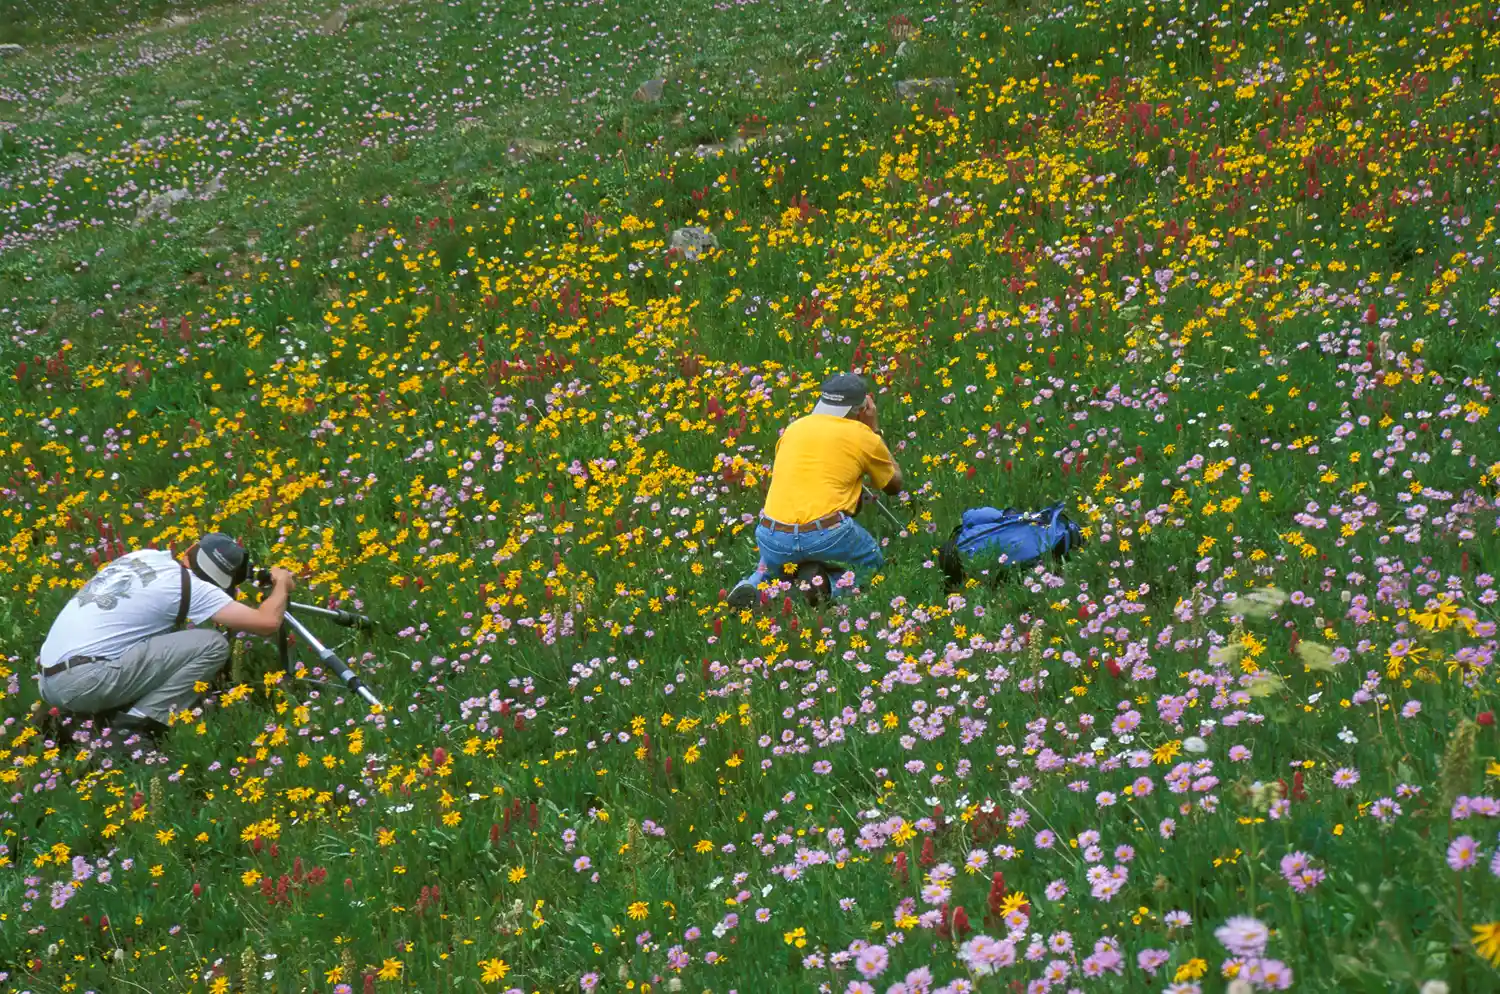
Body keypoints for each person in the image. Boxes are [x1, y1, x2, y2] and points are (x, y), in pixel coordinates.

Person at [35, 533, 296, 736]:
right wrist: (281, 584)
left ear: (192, 549)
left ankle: (80, 719)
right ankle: (137, 726)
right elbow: (267, 623)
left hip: (48, 680)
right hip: (85, 681)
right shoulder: (192, 587)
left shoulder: (144, 557)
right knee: (212, 644)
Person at [726, 372, 903, 607]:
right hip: (826, 535)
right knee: (872, 565)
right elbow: (894, 485)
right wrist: (874, 431)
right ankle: (827, 586)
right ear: (863, 409)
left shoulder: (794, 429)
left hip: (772, 534)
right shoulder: (863, 436)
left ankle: (754, 585)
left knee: (773, 567)